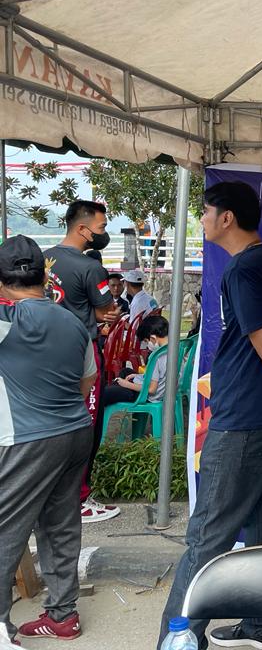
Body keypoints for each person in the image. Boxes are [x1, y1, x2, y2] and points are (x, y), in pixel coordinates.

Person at [158, 181, 262, 650]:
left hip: (244, 419)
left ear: (226, 218)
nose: (202, 219)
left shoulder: (244, 268)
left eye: (206, 211)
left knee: (208, 535)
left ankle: (178, 641)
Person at [0, 235, 97, 644]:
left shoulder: (8, 321)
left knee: (5, 529)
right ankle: (62, 615)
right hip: (74, 432)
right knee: (60, 524)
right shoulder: (73, 321)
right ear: (45, 276)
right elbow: (88, 379)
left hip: (28, 439)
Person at [44, 199, 120, 524]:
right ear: (83, 229)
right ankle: (78, 499)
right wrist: (102, 315)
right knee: (86, 427)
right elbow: (106, 312)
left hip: (44, 356)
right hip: (82, 354)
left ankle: (49, 496)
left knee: (50, 426)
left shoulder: (42, 259)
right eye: (101, 228)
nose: (103, 233)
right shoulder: (91, 267)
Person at [86, 314, 170, 482]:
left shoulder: (157, 356)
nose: (147, 345)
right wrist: (136, 377)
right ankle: (120, 383)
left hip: (142, 394)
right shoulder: (174, 348)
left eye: (146, 341)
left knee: (104, 393)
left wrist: (126, 384)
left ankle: (93, 426)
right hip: (157, 390)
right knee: (125, 372)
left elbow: (151, 389)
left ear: (153, 338)